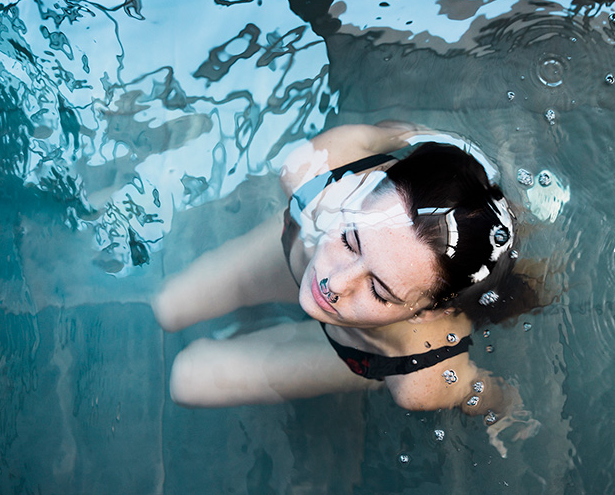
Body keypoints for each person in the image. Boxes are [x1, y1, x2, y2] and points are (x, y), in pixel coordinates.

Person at [152, 121, 549, 456]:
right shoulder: (316, 174)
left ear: (428, 311)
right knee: (166, 305)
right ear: (359, 191)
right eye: (350, 239)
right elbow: (396, 136)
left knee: (187, 380)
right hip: (296, 252)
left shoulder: (420, 371)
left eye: (379, 290)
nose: (334, 284)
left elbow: (477, 389)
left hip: (364, 346)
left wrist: (505, 408)